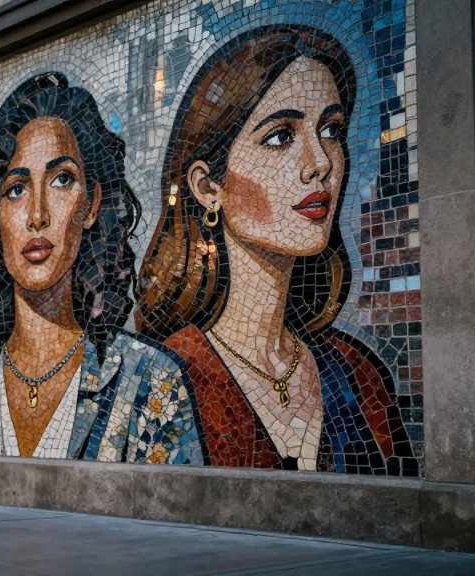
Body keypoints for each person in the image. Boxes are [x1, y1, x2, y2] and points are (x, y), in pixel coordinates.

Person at [137, 25, 419, 476]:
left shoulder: (358, 374)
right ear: (209, 187)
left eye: (330, 130)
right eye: (280, 136)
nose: (320, 163)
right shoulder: (166, 377)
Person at [0, 72, 203, 465]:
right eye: (16, 189)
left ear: (91, 205)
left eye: (61, 180)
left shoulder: (149, 382)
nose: (37, 215)